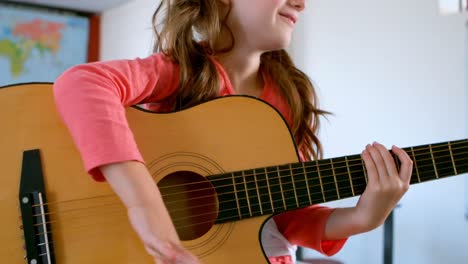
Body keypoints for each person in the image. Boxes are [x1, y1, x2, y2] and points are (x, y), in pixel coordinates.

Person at [53, 0, 413, 263]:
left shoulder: (289, 96)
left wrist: (364, 217)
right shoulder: (180, 71)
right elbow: (84, 82)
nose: (301, 4)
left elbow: (290, 215)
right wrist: (144, 204)